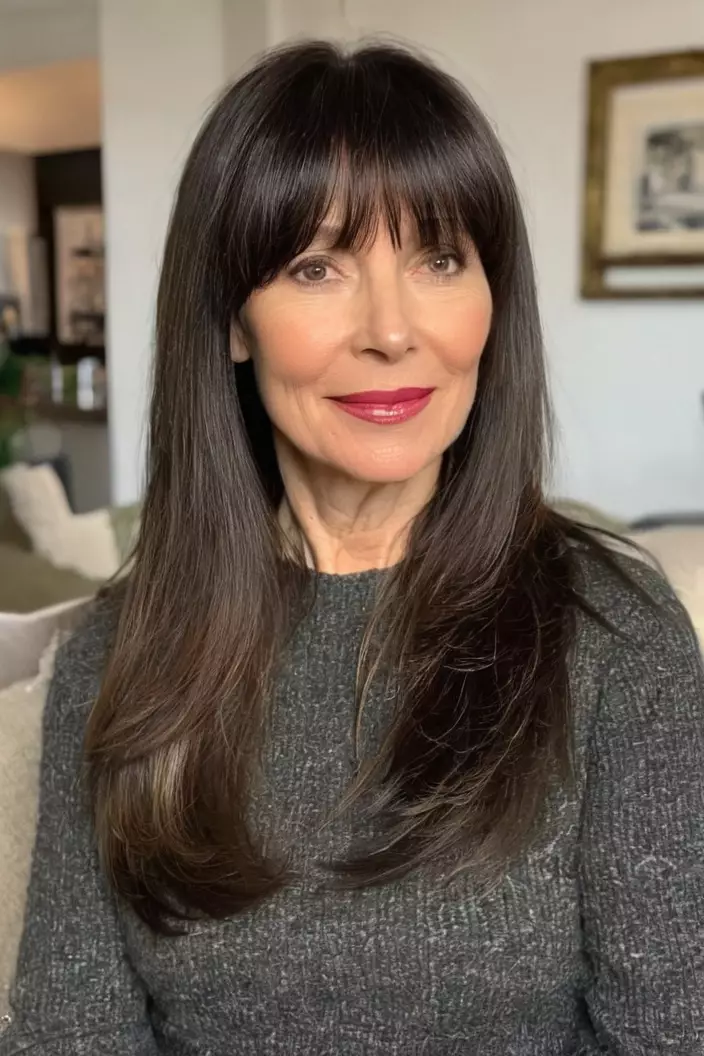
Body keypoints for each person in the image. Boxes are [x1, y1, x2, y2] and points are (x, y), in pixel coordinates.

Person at [2, 40, 703, 1056]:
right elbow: (73, 1035)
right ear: (234, 321)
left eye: (438, 258)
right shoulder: (116, 661)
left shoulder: (615, 639)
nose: (390, 330)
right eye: (317, 266)